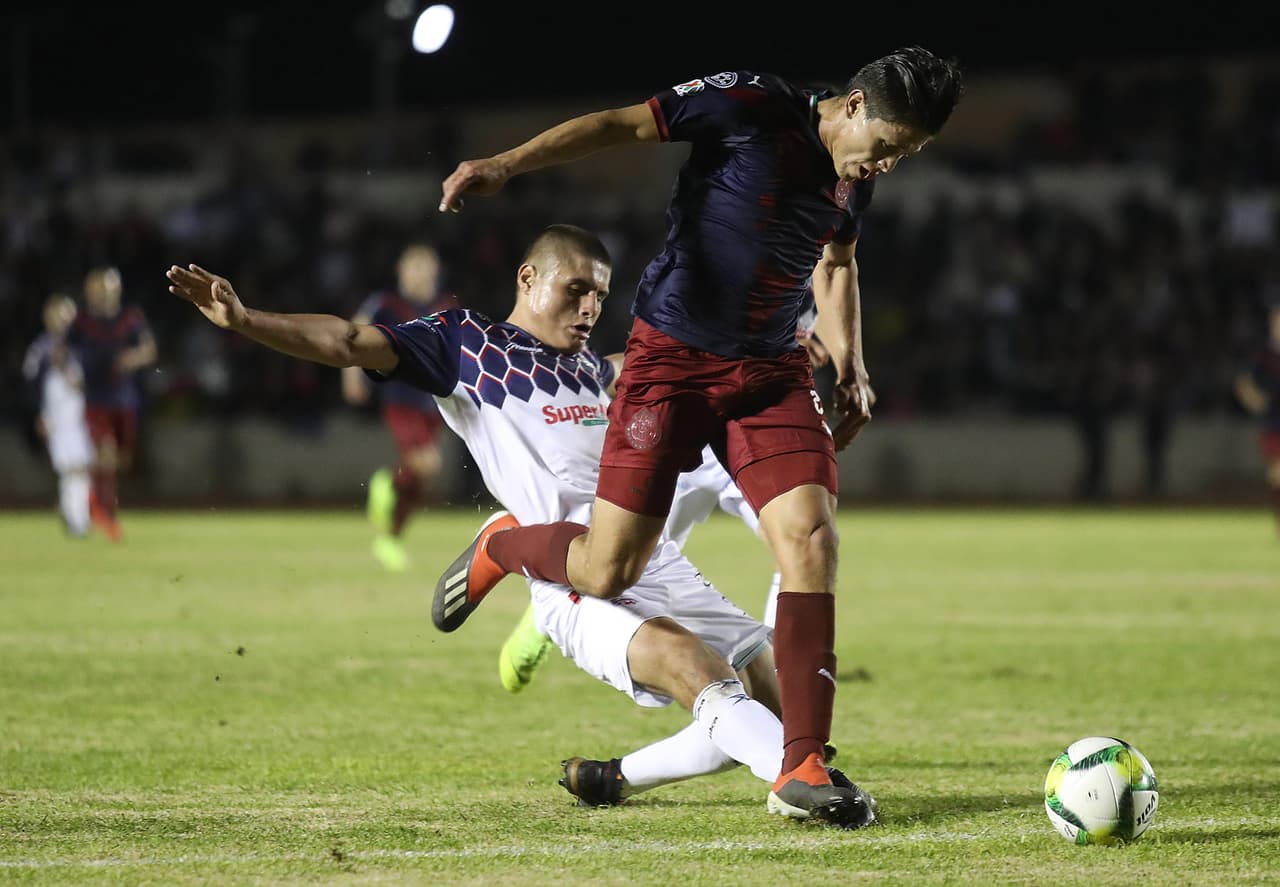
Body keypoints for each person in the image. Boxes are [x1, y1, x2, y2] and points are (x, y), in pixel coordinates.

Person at [163, 225, 875, 827]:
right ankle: (799, 786)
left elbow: (656, 370)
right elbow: (349, 340)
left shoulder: (595, 370)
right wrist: (249, 320)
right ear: (529, 277)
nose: (592, 305)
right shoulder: (467, 345)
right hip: (571, 581)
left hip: (649, 556)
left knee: (777, 710)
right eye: (576, 289)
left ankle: (620, 777)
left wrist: (777, 352)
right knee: (702, 675)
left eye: (600, 292)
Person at [433, 47, 964, 822]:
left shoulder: (855, 183)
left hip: (770, 371)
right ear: (851, 106)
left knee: (811, 537)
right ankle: (505, 546)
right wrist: (508, 166)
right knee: (607, 571)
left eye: (906, 154)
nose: (887, 163)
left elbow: (838, 263)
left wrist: (850, 362)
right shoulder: (751, 104)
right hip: (671, 363)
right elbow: (619, 124)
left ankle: (804, 764)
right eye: (887, 145)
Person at [499, 296, 829, 690]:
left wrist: (846, 359)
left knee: (798, 546)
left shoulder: (814, 253)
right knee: (623, 559)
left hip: (745, 438)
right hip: (685, 440)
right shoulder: (728, 253)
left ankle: (783, 676)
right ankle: (549, 608)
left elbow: (839, 277)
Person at [341, 244, 454, 571]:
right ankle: (387, 485)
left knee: (422, 478)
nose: (420, 273)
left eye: (426, 266)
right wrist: (350, 377)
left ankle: (391, 537)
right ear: (401, 271)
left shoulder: (446, 306)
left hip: (434, 399)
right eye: (414, 266)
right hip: (401, 396)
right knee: (427, 464)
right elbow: (353, 332)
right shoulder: (386, 303)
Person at [66, 267, 157, 541]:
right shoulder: (81, 322)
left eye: (108, 290)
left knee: (120, 460)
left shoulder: (130, 319)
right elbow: (64, 350)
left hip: (124, 398)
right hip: (96, 399)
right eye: (98, 290)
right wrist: (71, 374)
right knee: (104, 454)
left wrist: (133, 358)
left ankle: (96, 498)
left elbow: (149, 349)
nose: (104, 295)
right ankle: (106, 512)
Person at [22, 294, 95, 538]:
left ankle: (78, 516)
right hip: (57, 417)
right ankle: (74, 518)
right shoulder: (41, 348)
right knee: (70, 467)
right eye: (59, 314)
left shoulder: (81, 347)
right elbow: (31, 384)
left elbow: (90, 381)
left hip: (80, 415)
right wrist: (39, 415)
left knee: (82, 467)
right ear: (49, 317)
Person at [1234, 303, 1280, 533]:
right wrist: (1255, 400)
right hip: (1273, 424)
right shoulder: (1264, 356)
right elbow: (1243, 382)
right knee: (1277, 474)